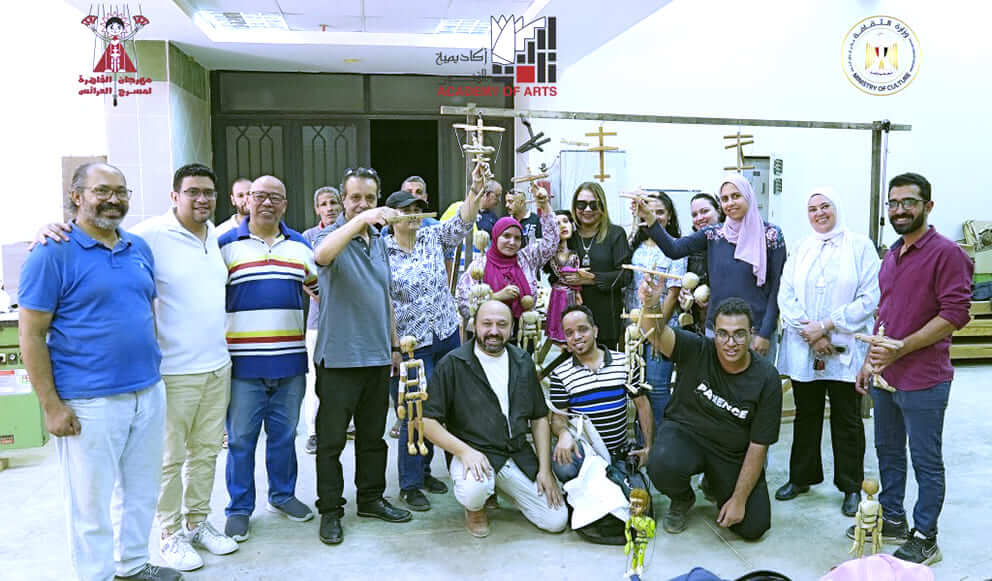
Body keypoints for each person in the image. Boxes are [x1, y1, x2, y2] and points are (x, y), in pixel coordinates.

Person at [19, 163, 181, 581]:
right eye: (102, 190)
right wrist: (51, 406)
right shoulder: (51, 252)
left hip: (147, 391)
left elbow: (143, 311)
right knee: (90, 505)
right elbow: (31, 335)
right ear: (77, 196)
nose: (114, 199)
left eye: (121, 191)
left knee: (142, 491)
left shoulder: (137, 247)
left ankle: (132, 565)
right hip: (89, 400)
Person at [849, 173, 973, 566]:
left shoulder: (947, 254)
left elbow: (955, 314)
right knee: (888, 451)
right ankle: (893, 518)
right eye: (893, 203)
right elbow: (885, 313)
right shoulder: (892, 254)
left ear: (928, 206)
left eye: (909, 202)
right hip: (886, 377)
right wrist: (870, 360)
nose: (899, 210)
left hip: (924, 379)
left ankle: (926, 536)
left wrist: (903, 348)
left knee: (925, 460)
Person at [130, 165, 239, 570]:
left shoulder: (216, 235)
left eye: (208, 192)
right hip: (174, 371)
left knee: (206, 452)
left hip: (217, 365)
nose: (202, 199)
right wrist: (55, 231)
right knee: (170, 459)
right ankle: (170, 533)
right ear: (174, 196)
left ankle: (197, 523)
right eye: (192, 192)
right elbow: (100, 239)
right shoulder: (150, 234)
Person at [311, 167, 412, 547]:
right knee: (332, 441)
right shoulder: (330, 235)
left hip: (376, 358)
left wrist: (394, 346)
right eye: (355, 198)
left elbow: (384, 297)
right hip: (339, 359)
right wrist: (361, 221)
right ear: (343, 200)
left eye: (370, 198)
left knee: (373, 437)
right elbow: (321, 256)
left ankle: (370, 498)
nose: (363, 204)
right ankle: (330, 510)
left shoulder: (379, 242)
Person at [640, 281, 782, 541]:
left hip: (730, 452)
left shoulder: (766, 378)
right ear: (713, 333)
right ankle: (682, 497)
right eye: (723, 334)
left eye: (739, 334)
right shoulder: (697, 348)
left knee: (754, 526)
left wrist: (739, 499)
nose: (730, 343)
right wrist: (650, 305)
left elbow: (758, 445)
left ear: (751, 334)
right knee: (661, 462)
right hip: (686, 434)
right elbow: (656, 335)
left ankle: (714, 483)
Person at [219, 175, 319, 542]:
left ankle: (282, 495)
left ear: (285, 205)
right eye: (259, 196)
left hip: (290, 363)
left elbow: (319, 289)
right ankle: (239, 508)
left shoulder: (300, 246)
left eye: (275, 197)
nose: (266, 203)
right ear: (246, 201)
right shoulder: (225, 246)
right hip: (243, 366)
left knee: (284, 436)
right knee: (241, 440)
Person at [383, 173, 485, 511]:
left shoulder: (432, 237)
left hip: (445, 334)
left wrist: (474, 189)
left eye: (418, 209)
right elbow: (384, 302)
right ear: (392, 215)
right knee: (415, 410)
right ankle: (410, 484)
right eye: (407, 210)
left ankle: (427, 472)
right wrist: (394, 347)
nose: (414, 215)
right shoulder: (382, 251)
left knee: (446, 405)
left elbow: (463, 220)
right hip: (412, 344)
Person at [422, 300, 568, 538]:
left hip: (516, 454)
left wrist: (545, 469)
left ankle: (499, 488)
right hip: (475, 454)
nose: (494, 331)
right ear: (474, 325)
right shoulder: (453, 364)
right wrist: (464, 452)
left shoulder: (522, 360)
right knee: (474, 490)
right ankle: (476, 507)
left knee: (556, 520)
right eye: (486, 324)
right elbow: (426, 422)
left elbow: (539, 417)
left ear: (512, 328)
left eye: (502, 324)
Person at [775, 188, 880, 518]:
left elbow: (870, 297)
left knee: (847, 418)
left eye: (825, 206)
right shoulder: (801, 247)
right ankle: (801, 477)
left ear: (837, 208)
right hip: (805, 345)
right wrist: (811, 333)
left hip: (844, 347)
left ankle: (851, 485)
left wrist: (826, 326)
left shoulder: (860, 246)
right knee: (806, 414)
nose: (819, 213)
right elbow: (786, 294)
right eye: (813, 209)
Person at [637, 175, 786, 359]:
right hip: (717, 330)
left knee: (756, 378)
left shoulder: (771, 235)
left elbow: (777, 288)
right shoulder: (713, 234)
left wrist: (765, 333)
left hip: (754, 331)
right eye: (725, 199)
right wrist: (649, 217)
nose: (730, 203)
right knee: (717, 377)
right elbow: (674, 249)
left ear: (748, 196)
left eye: (736, 196)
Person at [549, 305, 653, 543]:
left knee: (638, 504)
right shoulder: (560, 374)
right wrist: (563, 434)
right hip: (586, 454)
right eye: (569, 333)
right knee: (563, 464)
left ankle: (592, 499)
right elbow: (558, 417)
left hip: (618, 453)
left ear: (595, 331)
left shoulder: (624, 363)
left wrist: (648, 447)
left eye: (582, 329)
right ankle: (583, 496)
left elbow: (643, 405)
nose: (577, 337)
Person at [456, 188, 557, 330]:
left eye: (517, 238)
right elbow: (464, 304)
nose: (512, 242)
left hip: (523, 333)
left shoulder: (526, 259)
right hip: (490, 333)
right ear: (496, 236)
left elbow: (551, 243)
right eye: (506, 236)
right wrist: (495, 297)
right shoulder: (479, 265)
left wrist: (544, 206)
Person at [626, 191, 686, 427]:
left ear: (669, 216)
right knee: (637, 389)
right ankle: (644, 441)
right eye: (650, 211)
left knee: (657, 388)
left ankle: (661, 442)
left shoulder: (676, 248)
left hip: (661, 328)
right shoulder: (634, 245)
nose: (655, 216)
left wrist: (656, 331)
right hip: (634, 326)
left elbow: (673, 293)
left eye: (660, 212)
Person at [564, 182, 632, 350]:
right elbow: (552, 269)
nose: (587, 210)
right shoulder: (568, 235)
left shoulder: (615, 234)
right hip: (572, 315)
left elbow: (626, 275)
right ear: (574, 207)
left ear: (602, 206)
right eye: (581, 204)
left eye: (594, 205)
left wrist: (591, 279)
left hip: (606, 317)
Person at [302, 186, 343, 455]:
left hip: (347, 320)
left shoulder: (348, 231)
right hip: (318, 320)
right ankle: (313, 431)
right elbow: (303, 273)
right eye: (324, 204)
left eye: (333, 202)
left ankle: (345, 425)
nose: (330, 208)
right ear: (317, 209)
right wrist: (320, 296)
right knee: (315, 376)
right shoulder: (308, 237)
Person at [683, 193, 724, 334]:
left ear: (718, 211)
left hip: (726, 320)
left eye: (705, 211)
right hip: (697, 323)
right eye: (694, 214)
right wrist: (684, 292)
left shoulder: (732, 241)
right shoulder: (690, 245)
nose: (699, 218)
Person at [544, 210, 583, 344]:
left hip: (572, 294)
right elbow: (560, 272)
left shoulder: (576, 253)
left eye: (566, 222)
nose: (562, 226)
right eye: (557, 224)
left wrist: (577, 291)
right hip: (558, 294)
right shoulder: (551, 254)